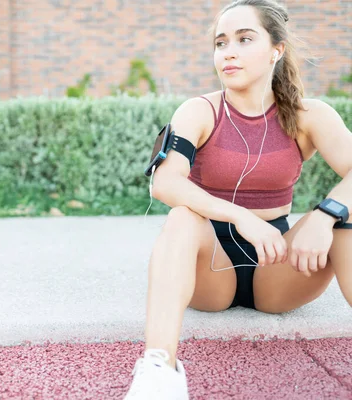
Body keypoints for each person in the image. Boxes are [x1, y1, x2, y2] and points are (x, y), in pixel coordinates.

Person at [123, 0, 352, 398]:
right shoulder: (199, 110)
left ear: (276, 50)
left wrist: (324, 215)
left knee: (346, 221)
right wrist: (240, 217)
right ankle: (160, 372)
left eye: (245, 39)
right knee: (181, 216)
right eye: (221, 42)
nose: (228, 51)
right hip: (210, 266)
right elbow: (165, 183)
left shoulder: (309, 115)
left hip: (278, 265)